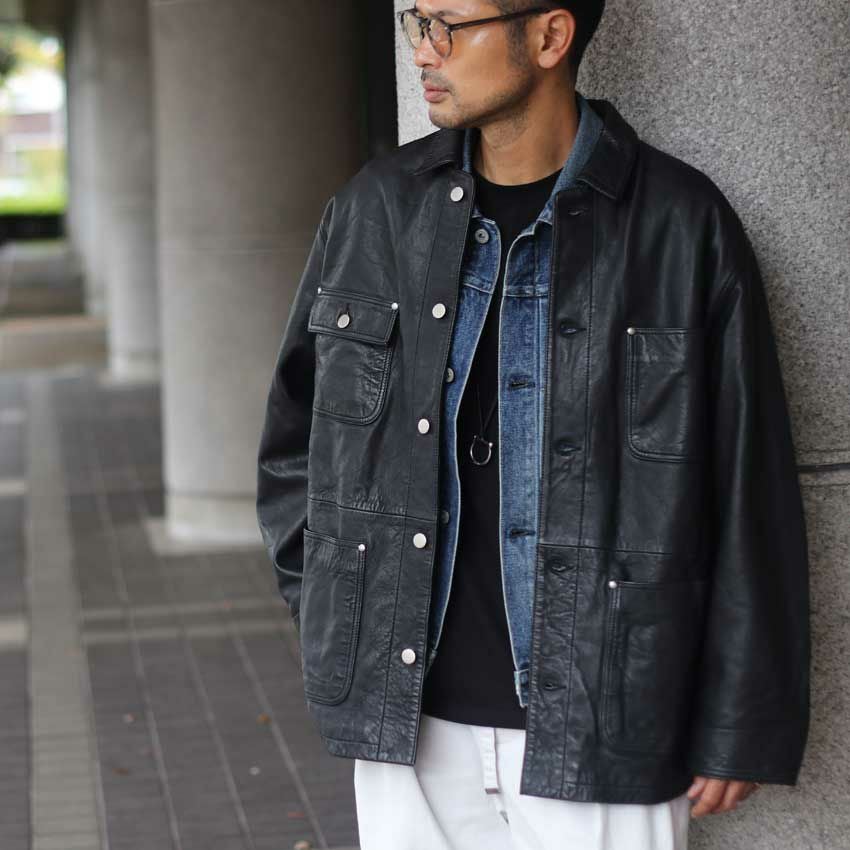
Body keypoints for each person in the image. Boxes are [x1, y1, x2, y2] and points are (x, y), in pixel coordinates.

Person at [255, 2, 811, 848]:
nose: (423, 52)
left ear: (550, 37)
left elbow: (749, 485)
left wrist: (742, 716)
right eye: (416, 22)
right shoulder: (376, 209)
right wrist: (339, 614)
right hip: (409, 724)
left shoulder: (678, 223)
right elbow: (294, 449)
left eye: (450, 25)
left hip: (604, 719)